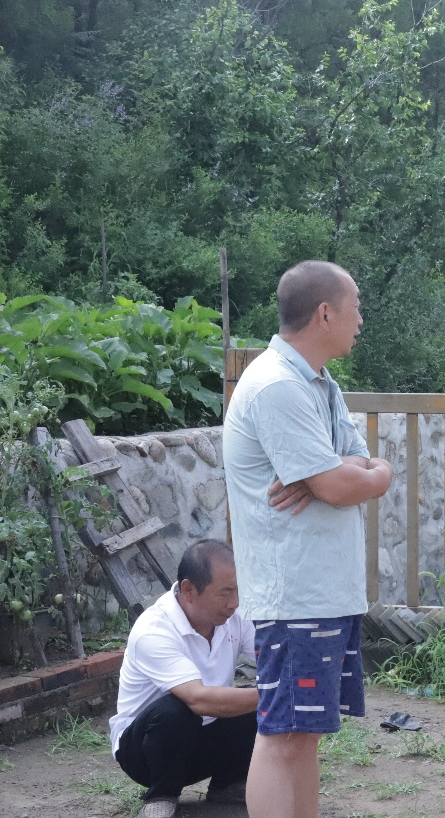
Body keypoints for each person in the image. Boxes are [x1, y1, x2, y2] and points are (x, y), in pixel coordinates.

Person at [223, 260, 394, 818]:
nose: (360, 320)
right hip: (295, 596)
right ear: (325, 313)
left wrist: (358, 471)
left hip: (322, 592)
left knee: (307, 734)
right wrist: (342, 475)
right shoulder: (277, 385)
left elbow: (358, 466)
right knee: (284, 735)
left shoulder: (318, 382)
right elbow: (341, 486)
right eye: (355, 308)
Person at [109, 539, 258, 818]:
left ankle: (229, 783)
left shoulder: (235, 616)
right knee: (176, 710)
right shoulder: (153, 629)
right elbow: (197, 699)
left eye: (238, 590)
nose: (235, 602)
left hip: (203, 737)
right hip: (145, 752)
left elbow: (273, 658)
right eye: (225, 593)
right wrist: (276, 693)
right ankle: (161, 795)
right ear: (189, 590)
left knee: (253, 704)